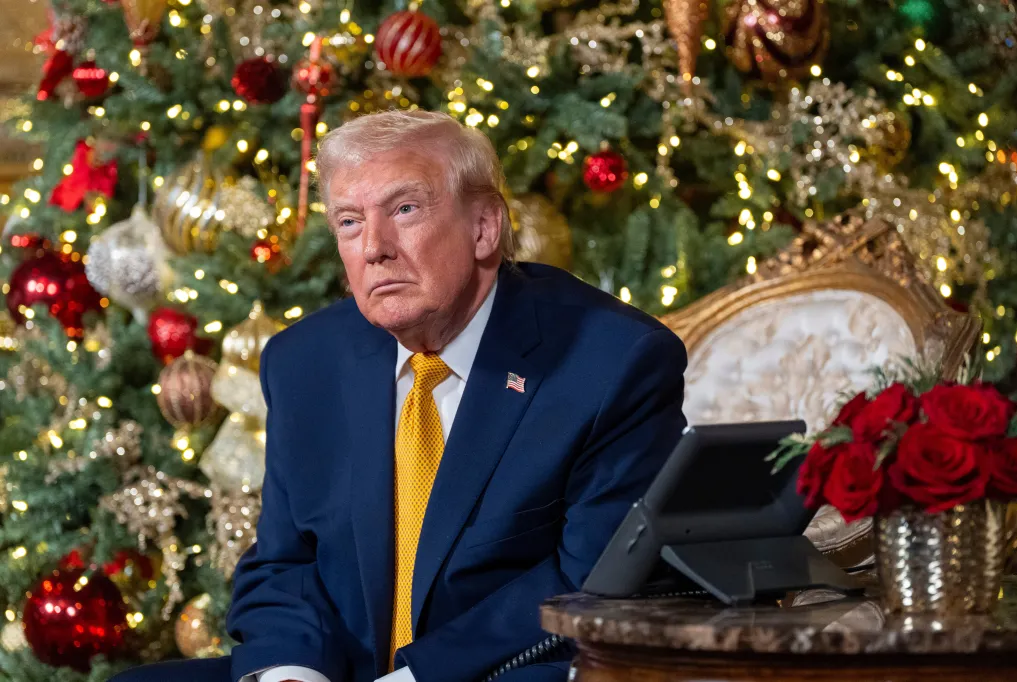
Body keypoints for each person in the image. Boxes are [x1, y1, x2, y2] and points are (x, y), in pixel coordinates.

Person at [112, 110, 687, 682]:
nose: (374, 248)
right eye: (349, 222)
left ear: (484, 227)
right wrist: (294, 674)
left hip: (495, 671)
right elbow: (286, 565)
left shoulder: (613, 361)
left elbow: (591, 581)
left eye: (405, 209)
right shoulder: (304, 361)